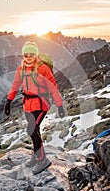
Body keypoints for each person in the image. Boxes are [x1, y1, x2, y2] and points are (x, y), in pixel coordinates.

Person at [4, 40, 65, 175]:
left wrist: (59, 105)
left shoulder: (43, 68)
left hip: (41, 104)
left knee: (32, 130)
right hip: (27, 105)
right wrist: (8, 101)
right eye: (26, 54)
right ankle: (37, 155)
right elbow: (15, 86)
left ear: (36, 55)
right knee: (34, 131)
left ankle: (42, 160)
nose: (28, 56)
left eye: (31, 54)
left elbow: (53, 87)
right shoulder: (21, 70)